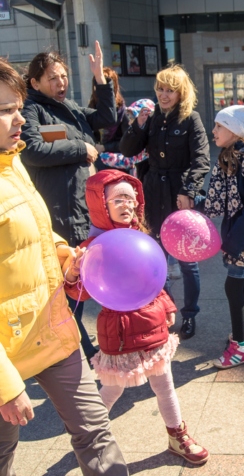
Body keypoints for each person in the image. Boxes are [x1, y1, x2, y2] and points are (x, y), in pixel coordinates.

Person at [0, 58, 128, 476]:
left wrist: (61, 254)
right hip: (7, 351)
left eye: (17, 106)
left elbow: (30, 231)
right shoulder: (28, 136)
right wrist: (5, 385)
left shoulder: (11, 159)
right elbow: (50, 145)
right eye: (5, 110)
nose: (18, 118)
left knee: (96, 434)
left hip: (50, 329)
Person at [64, 170, 209, 466]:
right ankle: (89, 438)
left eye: (130, 199)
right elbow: (81, 292)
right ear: (101, 205)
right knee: (113, 388)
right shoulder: (91, 247)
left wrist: (168, 306)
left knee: (164, 384)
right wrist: (74, 273)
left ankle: (177, 436)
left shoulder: (140, 236)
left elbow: (154, 280)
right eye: (117, 199)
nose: (126, 205)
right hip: (118, 331)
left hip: (152, 326)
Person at [20, 42, 116, 363]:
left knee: (79, 280)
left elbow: (106, 116)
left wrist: (99, 78)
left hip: (81, 207)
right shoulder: (32, 109)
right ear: (34, 83)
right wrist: (80, 148)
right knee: (68, 282)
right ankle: (80, 349)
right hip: (57, 212)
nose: (60, 83)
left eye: (63, 76)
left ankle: (77, 344)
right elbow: (32, 149)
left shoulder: (70, 107)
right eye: (52, 78)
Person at [120, 65, 210, 340]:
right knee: (156, 260)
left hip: (178, 197)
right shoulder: (151, 118)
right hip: (153, 196)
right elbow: (127, 150)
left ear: (181, 93)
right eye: (160, 88)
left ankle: (190, 314)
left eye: (170, 90)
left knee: (186, 262)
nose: (164, 94)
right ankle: (166, 309)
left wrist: (189, 191)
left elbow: (201, 159)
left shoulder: (190, 119)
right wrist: (138, 126)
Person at [195, 104, 244, 369]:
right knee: (241, 284)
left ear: (235, 130)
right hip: (239, 235)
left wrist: (232, 243)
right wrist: (196, 203)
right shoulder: (232, 156)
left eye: (219, 126)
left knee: (234, 286)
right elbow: (221, 200)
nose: (213, 131)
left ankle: (239, 348)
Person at [97, 99, 153, 179]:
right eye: (129, 117)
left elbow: (126, 161)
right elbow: (126, 160)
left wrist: (100, 155)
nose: (130, 122)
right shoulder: (137, 143)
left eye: (133, 117)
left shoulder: (150, 145)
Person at [88, 67, 130, 173]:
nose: (100, 90)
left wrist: (105, 147)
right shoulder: (91, 107)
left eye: (105, 85)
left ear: (113, 88)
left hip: (117, 165)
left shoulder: (121, 111)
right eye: (97, 84)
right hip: (96, 162)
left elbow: (128, 143)